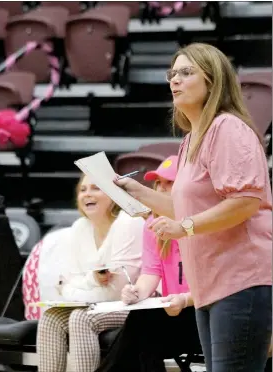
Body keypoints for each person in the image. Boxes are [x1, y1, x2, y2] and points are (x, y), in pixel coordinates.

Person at [115, 43, 272, 372]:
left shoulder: (228, 129)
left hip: (242, 280)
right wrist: (137, 192)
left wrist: (184, 228)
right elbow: (181, 206)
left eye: (186, 73)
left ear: (213, 81)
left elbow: (245, 202)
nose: (175, 80)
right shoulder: (191, 139)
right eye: (172, 73)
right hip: (211, 285)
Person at [96, 156, 201, 372]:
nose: (161, 189)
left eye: (169, 183)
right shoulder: (153, 225)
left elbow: (216, 283)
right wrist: (136, 291)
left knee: (143, 327)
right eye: (158, 183)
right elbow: (151, 272)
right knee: (143, 327)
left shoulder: (200, 223)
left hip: (203, 312)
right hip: (175, 313)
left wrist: (184, 299)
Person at [36, 174, 145, 372]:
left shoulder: (129, 222)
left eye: (96, 188)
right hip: (96, 304)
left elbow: (115, 292)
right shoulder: (80, 227)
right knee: (51, 317)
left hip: (137, 306)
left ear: (113, 195)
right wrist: (93, 280)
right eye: (83, 190)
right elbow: (66, 284)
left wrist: (78, 286)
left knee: (81, 317)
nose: (87, 194)